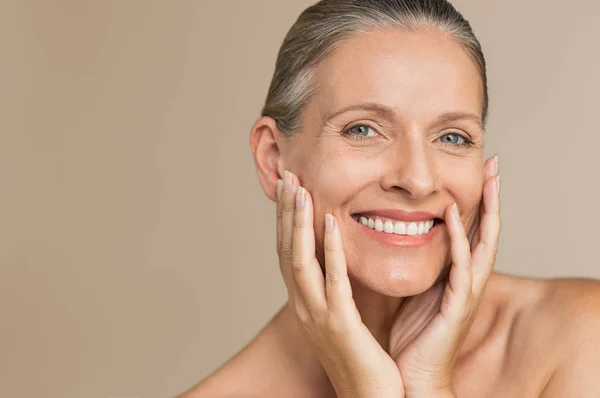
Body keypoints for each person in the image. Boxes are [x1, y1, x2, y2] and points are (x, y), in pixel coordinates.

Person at [179, 1, 600, 397]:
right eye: (362, 130)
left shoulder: (580, 340)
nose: (417, 179)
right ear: (273, 160)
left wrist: (428, 385)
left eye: (452, 137)